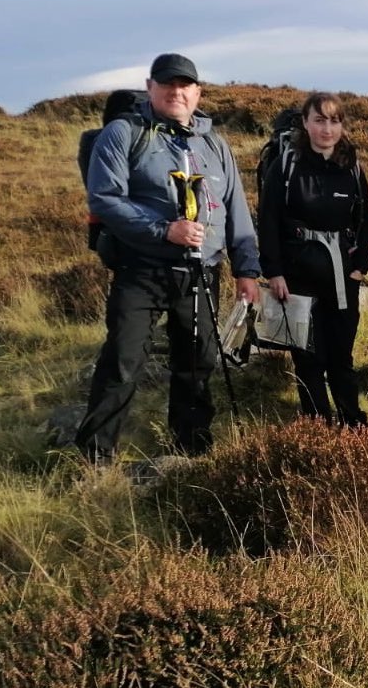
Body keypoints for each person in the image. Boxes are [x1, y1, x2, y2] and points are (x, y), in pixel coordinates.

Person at [76, 53, 261, 463]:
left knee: (197, 361)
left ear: (197, 92)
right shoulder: (124, 133)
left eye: (185, 85)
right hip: (140, 268)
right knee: (124, 360)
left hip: (201, 273)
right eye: (167, 84)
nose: (176, 92)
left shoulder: (215, 144)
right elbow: (105, 199)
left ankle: (191, 447)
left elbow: (236, 210)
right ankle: (96, 457)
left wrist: (247, 270)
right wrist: (164, 230)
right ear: (150, 87)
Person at [259, 93, 368, 427]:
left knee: (341, 355)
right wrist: (274, 272)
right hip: (298, 276)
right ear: (306, 124)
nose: (327, 129)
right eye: (320, 120)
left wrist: (360, 266)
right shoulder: (287, 165)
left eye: (334, 121)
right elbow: (267, 221)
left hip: (342, 278)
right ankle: (317, 425)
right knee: (308, 357)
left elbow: (367, 219)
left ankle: (353, 423)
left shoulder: (351, 166)